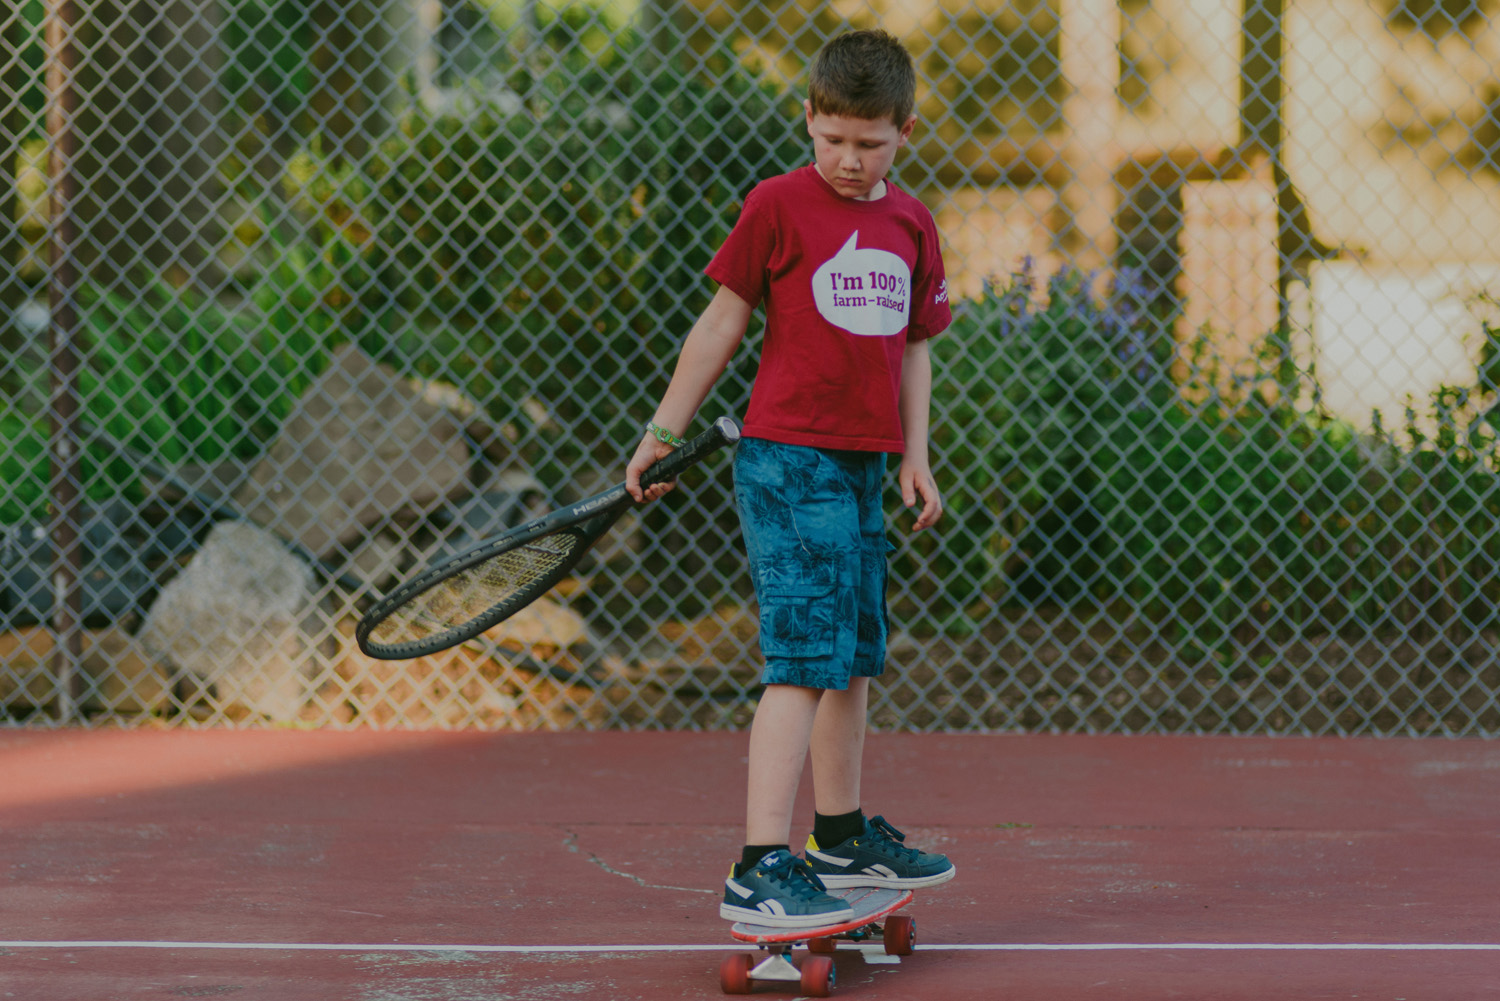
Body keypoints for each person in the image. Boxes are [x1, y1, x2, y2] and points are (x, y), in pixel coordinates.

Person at [625, 29, 957, 928]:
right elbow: (720, 324)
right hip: (787, 460)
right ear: (807, 118)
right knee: (803, 661)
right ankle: (759, 862)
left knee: (850, 661)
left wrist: (916, 455)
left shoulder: (911, 223)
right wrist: (664, 429)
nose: (849, 161)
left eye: (870, 143)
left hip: (861, 469)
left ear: (905, 131)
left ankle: (839, 836)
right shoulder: (776, 205)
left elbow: (917, 348)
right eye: (834, 139)